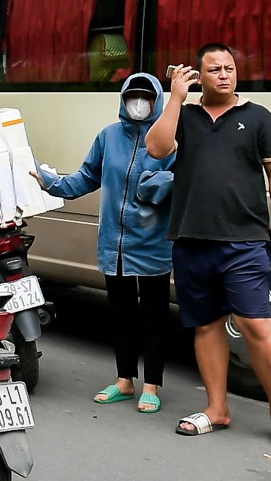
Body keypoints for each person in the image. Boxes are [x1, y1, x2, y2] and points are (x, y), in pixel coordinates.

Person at [146, 44, 271, 448]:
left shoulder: (259, 118)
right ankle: (217, 408)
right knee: (207, 326)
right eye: (214, 69)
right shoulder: (186, 116)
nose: (224, 75)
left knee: (256, 325)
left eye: (229, 68)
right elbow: (157, 148)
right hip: (192, 239)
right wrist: (175, 98)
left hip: (244, 242)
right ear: (199, 76)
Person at [34, 72, 176, 413]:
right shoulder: (109, 136)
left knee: (154, 316)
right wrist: (50, 183)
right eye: (133, 97)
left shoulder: (168, 139)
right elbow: (86, 176)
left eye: (146, 97)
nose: (139, 104)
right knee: (121, 314)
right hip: (115, 243)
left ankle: (152, 384)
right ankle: (124, 380)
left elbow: (182, 179)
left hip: (153, 242)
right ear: (123, 100)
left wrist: (159, 183)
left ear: (157, 101)